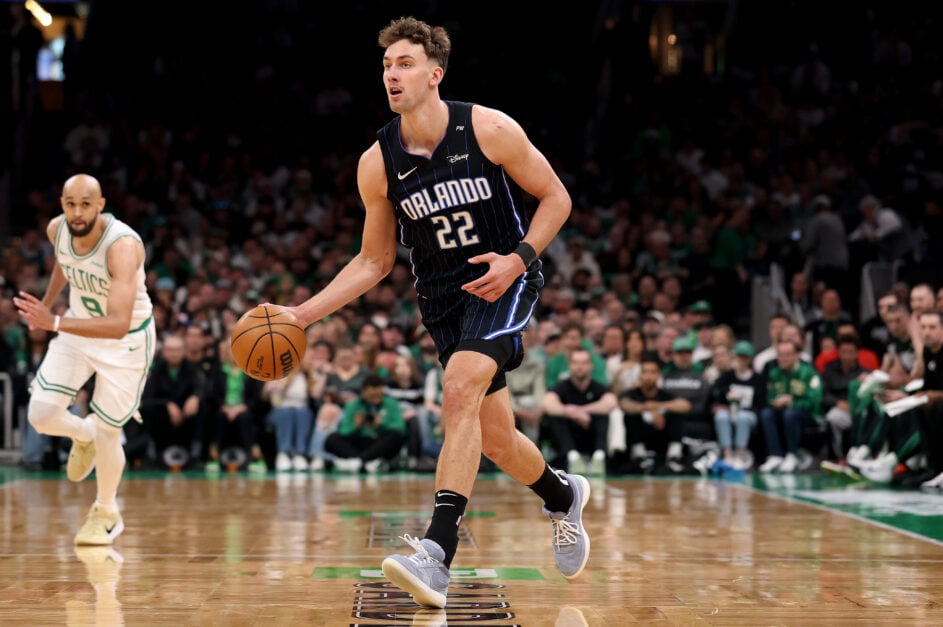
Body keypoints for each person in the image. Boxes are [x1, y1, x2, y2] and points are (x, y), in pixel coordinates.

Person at [282, 17, 583, 609]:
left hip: (504, 281)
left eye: (405, 63)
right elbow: (372, 262)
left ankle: (437, 554)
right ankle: (561, 496)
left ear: (435, 73)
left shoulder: (490, 128)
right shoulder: (378, 162)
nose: (392, 74)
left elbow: (557, 198)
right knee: (495, 438)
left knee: (458, 385)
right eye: (386, 65)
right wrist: (299, 315)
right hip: (442, 301)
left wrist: (519, 260)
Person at [12, 173, 155, 545]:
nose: (77, 212)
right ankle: (84, 433)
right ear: (62, 204)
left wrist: (55, 321)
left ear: (101, 205)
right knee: (40, 415)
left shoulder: (122, 246)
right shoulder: (57, 229)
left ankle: (106, 513)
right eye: (70, 204)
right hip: (77, 329)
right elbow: (64, 262)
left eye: (86, 204)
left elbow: (119, 324)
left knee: (110, 431)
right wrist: (45, 306)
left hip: (126, 343)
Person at [541, 348, 618, 475]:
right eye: (576, 362)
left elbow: (611, 402)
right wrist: (569, 411)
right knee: (555, 415)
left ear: (591, 366)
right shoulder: (562, 386)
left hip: (591, 436)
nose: (580, 367)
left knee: (604, 414)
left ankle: (599, 457)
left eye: (584, 363)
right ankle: (573, 457)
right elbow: (547, 403)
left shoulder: (598, 386)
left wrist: (581, 410)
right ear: (570, 365)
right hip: (569, 438)